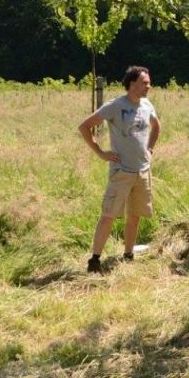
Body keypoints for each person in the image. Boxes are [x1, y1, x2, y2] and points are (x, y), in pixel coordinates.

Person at [78, 66, 161, 273]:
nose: (148, 86)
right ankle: (95, 260)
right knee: (109, 215)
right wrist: (101, 153)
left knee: (135, 215)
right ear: (132, 84)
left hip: (142, 171)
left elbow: (157, 126)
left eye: (149, 82)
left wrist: (150, 149)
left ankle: (128, 255)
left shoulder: (147, 104)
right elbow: (84, 127)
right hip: (121, 171)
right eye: (145, 83)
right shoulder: (115, 106)